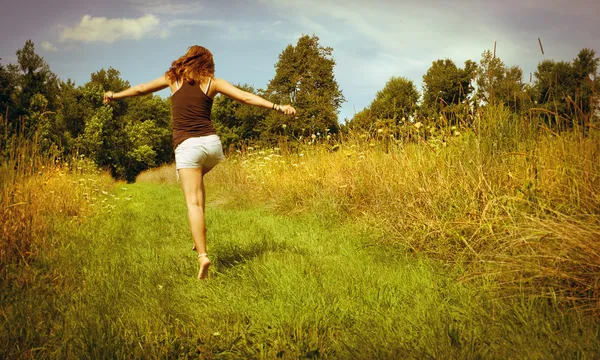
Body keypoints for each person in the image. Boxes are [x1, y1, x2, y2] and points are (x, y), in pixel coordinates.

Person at [103, 45, 296, 280]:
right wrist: (278, 106)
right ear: (206, 62)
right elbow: (245, 96)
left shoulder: (172, 79)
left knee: (192, 202)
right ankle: (199, 236)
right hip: (213, 146)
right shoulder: (212, 82)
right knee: (197, 184)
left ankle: (202, 255)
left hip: (188, 147)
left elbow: (142, 89)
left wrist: (115, 95)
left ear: (188, 59)